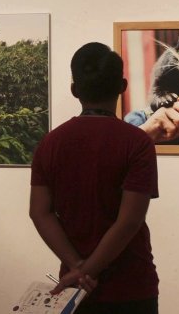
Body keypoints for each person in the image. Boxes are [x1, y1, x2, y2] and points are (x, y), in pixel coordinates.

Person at [30, 42, 160, 314]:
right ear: (122, 86)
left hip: (76, 290)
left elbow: (39, 213)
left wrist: (77, 269)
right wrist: (87, 271)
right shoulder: (137, 143)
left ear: (75, 90)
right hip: (130, 285)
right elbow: (129, 222)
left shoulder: (50, 143)